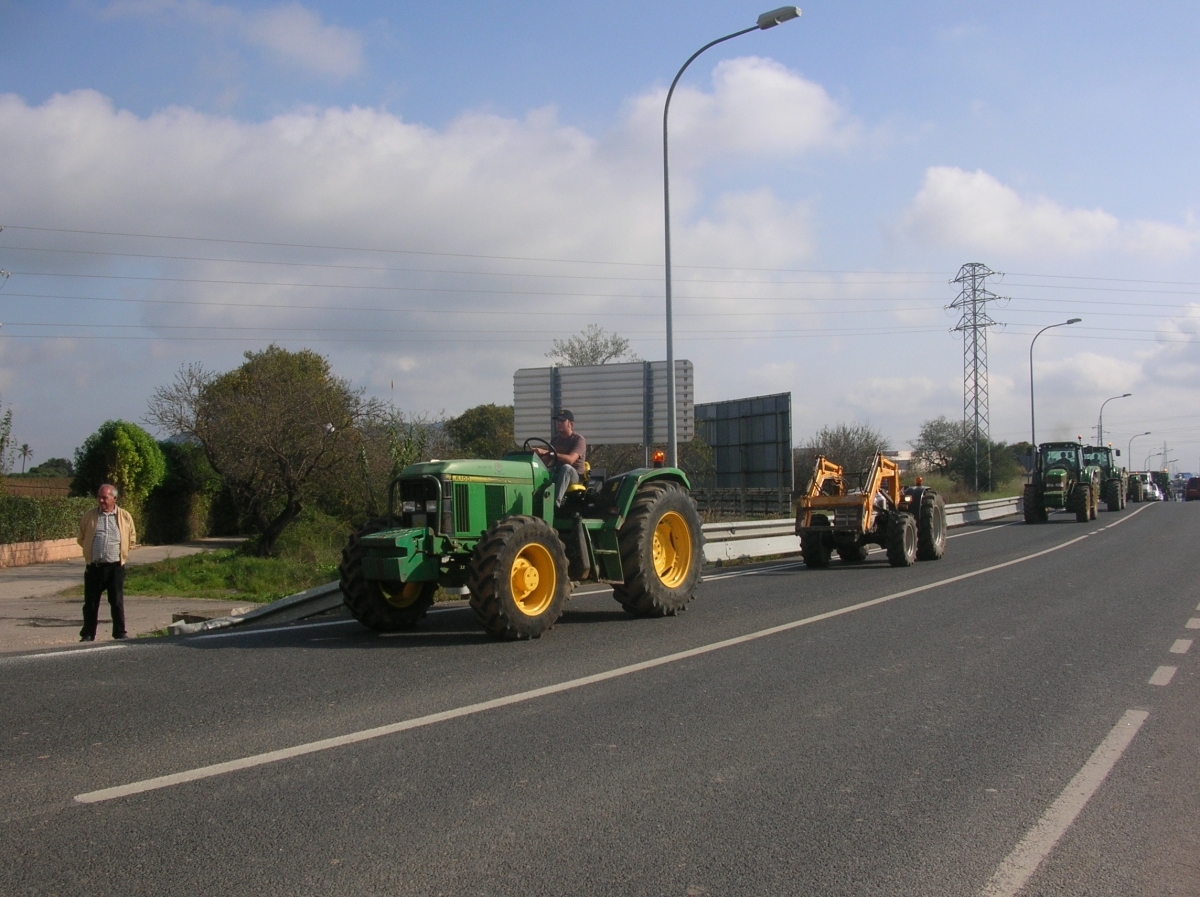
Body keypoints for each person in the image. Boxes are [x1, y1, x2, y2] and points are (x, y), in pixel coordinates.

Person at [77, 483, 136, 642]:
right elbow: (81, 537)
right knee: (90, 603)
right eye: (99, 497)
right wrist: (91, 551)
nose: (101, 500)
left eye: (105, 497)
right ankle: (88, 634)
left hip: (115, 567)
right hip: (95, 567)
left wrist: (121, 553)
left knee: (116, 601)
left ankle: (119, 632)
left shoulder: (124, 516)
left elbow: (131, 538)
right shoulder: (89, 516)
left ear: (114, 498)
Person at [533, 410, 587, 507]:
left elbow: (570, 460)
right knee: (542, 471)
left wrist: (547, 452)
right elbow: (547, 459)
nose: (558, 423)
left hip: (574, 476)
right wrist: (536, 458)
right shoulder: (555, 439)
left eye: (562, 421)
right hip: (556, 473)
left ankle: (554, 504)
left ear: (570, 424)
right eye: (557, 421)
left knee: (566, 468)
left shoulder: (578, 440)